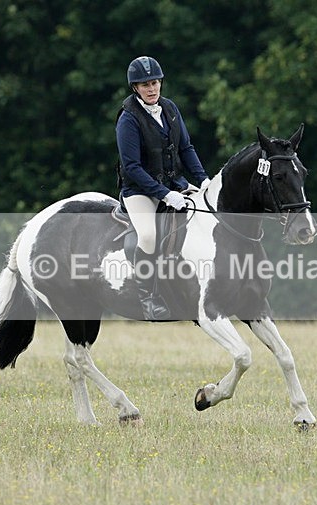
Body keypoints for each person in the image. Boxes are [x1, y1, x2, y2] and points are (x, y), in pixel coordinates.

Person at [116, 55, 209, 320]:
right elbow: (132, 167)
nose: (152, 89)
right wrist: (165, 194)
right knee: (148, 236)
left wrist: (203, 180)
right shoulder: (128, 119)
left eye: (155, 83)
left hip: (175, 184)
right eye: (145, 85)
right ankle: (147, 298)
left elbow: (186, 148)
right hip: (140, 191)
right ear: (135, 88)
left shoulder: (170, 108)